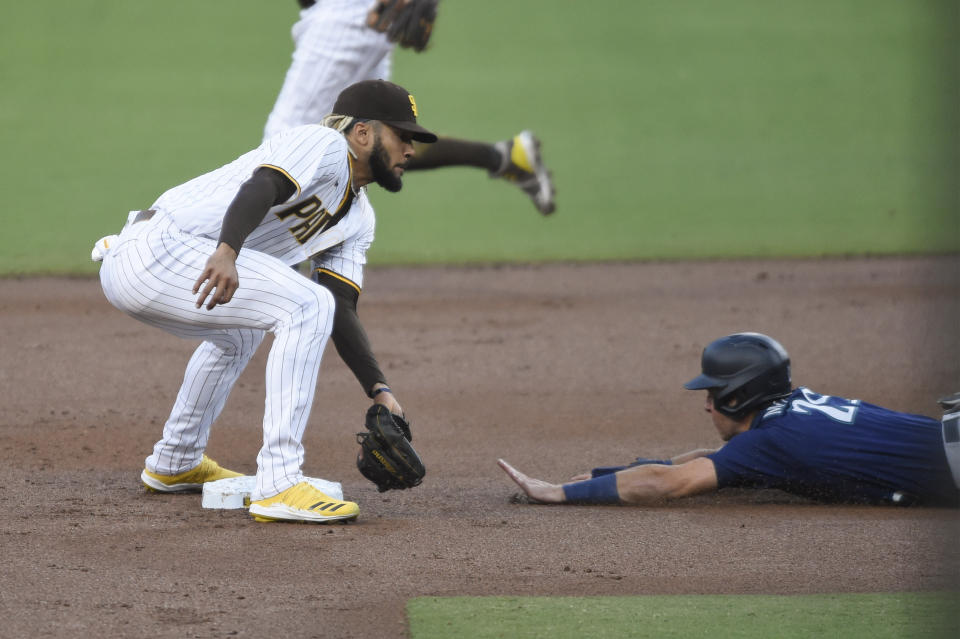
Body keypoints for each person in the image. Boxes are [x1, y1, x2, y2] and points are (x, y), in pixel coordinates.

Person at [93, 79, 437, 523]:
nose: (410, 149)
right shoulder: (324, 144)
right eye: (402, 135)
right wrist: (228, 250)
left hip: (182, 266)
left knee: (246, 332)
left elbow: (341, 307)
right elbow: (264, 185)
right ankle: (279, 481)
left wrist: (379, 390)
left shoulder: (359, 218)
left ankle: (175, 461)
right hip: (158, 249)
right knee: (304, 305)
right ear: (363, 133)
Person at [499, 333, 960, 508]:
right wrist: (610, 474)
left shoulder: (770, 443)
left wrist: (558, 492)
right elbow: (707, 460)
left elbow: (671, 482)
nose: (706, 405)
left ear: (741, 396)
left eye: (714, 394)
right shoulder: (794, 408)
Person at [264, 0, 556, 215]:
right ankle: (505, 157)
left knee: (283, 146)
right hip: (350, 16)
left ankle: (284, 270)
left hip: (350, 18)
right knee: (372, 139)